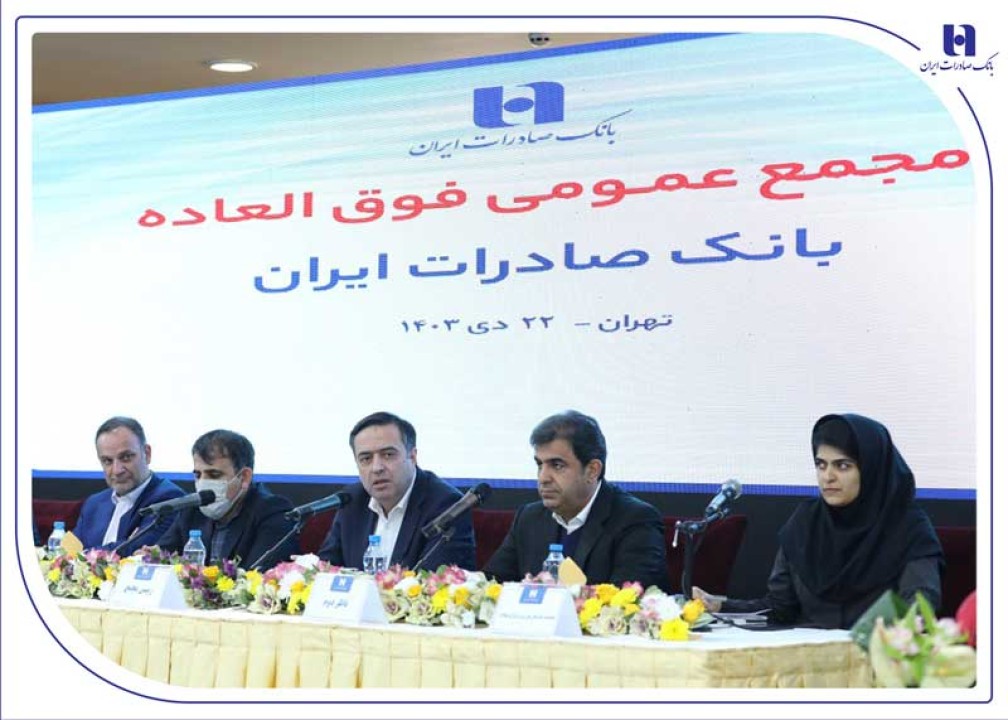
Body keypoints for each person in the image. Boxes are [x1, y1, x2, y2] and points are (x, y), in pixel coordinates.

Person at [693, 413, 944, 629]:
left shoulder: (908, 527)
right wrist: (720, 605)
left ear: (872, 469)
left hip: (877, 659)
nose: (828, 477)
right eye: (821, 465)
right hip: (806, 659)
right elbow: (780, 607)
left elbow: (919, 611)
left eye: (843, 466)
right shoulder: (805, 522)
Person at [483, 410, 669, 591]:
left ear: (592, 470)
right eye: (540, 465)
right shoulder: (529, 518)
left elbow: (628, 600)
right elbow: (491, 586)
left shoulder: (635, 520)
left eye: (557, 465)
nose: (543, 478)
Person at [317, 411, 476, 571]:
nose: (377, 468)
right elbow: (325, 569)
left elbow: (437, 580)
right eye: (366, 459)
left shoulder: (446, 505)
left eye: (388, 455)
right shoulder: (352, 500)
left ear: (412, 456)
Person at [156, 429, 298, 569]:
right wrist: (151, 556)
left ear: (244, 477)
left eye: (214, 475)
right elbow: (161, 559)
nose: (203, 483)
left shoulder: (272, 512)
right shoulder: (192, 509)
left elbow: (257, 574)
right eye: (198, 475)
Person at [73, 416, 186, 556]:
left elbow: (137, 549)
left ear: (147, 454)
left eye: (126, 457)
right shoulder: (94, 504)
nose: (117, 470)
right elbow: (69, 553)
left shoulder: (169, 499)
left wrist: (85, 555)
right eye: (107, 461)